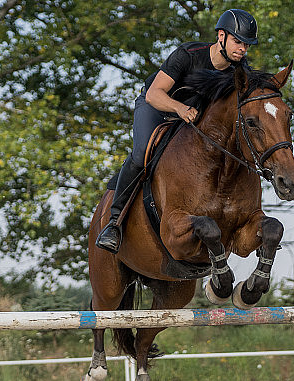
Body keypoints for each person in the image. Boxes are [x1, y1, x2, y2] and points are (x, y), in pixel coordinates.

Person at [95, 9, 259, 253]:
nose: (243, 49)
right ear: (221, 36)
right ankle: (114, 223)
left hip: (192, 119)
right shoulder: (188, 54)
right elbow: (154, 94)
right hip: (157, 107)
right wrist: (179, 108)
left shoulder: (240, 72)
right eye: (238, 41)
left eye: (247, 45)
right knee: (141, 153)